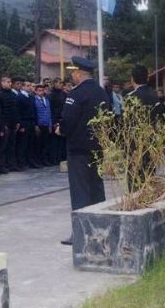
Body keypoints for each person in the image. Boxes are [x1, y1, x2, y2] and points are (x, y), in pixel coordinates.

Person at [56, 56, 110, 245]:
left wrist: (61, 129)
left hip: (78, 150)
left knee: (80, 192)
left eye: (73, 73)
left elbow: (68, 120)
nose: (72, 76)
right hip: (97, 148)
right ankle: (101, 229)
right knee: (96, 189)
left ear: (79, 74)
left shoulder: (76, 94)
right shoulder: (101, 93)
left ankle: (81, 233)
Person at [0, 76, 20, 173]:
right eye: (8, 82)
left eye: (10, 82)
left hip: (13, 123)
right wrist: (2, 125)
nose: (10, 84)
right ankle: (1, 166)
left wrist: (17, 122)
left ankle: (12, 164)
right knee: (3, 146)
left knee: (12, 145)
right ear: (2, 83)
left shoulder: (13, 94)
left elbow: (16, 109)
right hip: (5, 124)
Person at [33, 84, 52, 167]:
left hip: (46, 124)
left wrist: (50, 125)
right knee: (38, 144)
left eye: (42, 90)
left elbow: (49, 113)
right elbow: (34, 113)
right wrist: (36, 125)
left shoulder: (46, 100)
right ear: (36, 91)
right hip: (39, 124)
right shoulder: (34, 100)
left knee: (45, 144)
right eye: (39, 91)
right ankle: (38, 160)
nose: (41, 92)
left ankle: (44, 160)